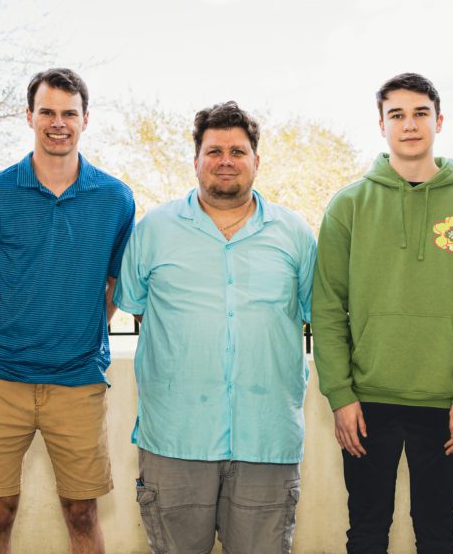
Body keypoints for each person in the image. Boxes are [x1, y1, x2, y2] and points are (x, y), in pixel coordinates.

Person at [312, 72, 453, 552]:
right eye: (396, 114)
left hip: (444, 401)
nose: (410, 124)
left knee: (438, 531)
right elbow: (328, 308)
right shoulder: (348, 205)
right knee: (367, 530)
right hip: (365, 400)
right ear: (381, 126)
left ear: (438, 121)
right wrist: (339, 393)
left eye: (420, 113)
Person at [114, 101, 315, 554]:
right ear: (196, 161)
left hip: (266, 440)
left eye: (238, 151)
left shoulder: (295, 233)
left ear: (256, 162)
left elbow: (312, 311)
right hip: (175, 438)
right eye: (214, 151)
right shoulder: (154, 230)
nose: (226, 160)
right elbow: (138, 307)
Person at [0, 68, 135, 553]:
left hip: (79, 381)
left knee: (82, 513)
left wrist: (80, 329)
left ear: (85, 119)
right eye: (48, 112)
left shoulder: (115, 198)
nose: (59, 123)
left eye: (69, 114)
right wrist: (15, 328)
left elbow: (117, 282)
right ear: (29, 116)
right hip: (1, 379)